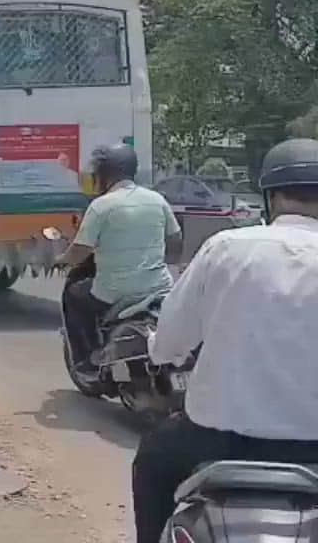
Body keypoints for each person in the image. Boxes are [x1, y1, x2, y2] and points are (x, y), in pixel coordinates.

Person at [131, 137, 318, 542]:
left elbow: (169, 344)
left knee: (152, 463)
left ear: (270, 197)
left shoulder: (226, 247)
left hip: (216, 441)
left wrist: (159, 350)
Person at [55, 143, 182, 382]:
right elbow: (175, 241)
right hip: (159, 287)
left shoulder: (101, 206)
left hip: (115, 293)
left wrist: (61, 259)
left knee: (74, 295)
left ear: (105, 174)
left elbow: (80, 251)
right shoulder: (157, 200)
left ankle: (87, 360)